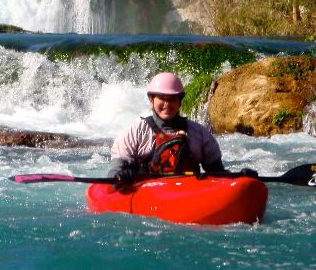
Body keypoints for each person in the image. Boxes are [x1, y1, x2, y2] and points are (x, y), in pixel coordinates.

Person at [107, 72, 255, 187]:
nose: (167, 104)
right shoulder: (136, 131)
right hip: (146, 191)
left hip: (186, 191)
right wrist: (119, 177)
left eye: (172, 99)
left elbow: (217, 174)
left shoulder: (199, 133)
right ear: (151, 100)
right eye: (161, 98)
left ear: (179, 101)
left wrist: (239, 178)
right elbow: (114, 173)